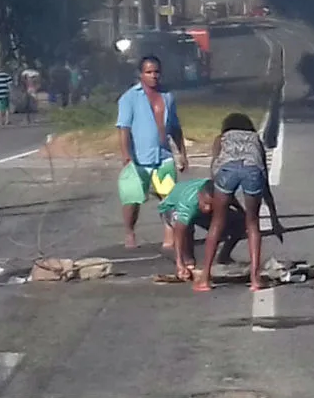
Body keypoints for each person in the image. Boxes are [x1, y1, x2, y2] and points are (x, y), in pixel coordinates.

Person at [194, 113, 281, 292]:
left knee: (217, 223)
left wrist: (219, 195)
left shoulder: (222, 138)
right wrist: (274, 217)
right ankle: (255, 279)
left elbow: (214, 169)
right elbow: (263, 177)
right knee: (253, 223)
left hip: (227, 170)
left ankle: (205, 278)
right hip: (252, 169)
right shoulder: (255, 139)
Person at [117, 56, 188, 249]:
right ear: (141, 74)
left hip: (163, 157)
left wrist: (182, 153)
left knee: (168, 198)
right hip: (139, 159)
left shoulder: (167, 97)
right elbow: (123, 128)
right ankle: (130, 232)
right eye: (149, 72)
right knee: (132, 199)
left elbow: (175, 127)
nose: (153, 76)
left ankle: (169, 234)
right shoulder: (129, 98)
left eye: (156, 72)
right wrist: (126, 154)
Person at [157, 178, 247, 281]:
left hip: (198, 207)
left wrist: (243, 215)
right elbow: (179, 232)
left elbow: (232, 200)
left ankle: (224, 256)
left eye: (211, 205)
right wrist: (179, 263)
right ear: (199, 195)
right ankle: (187, 263)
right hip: (171, 207)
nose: (208, 208)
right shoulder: (188, 202)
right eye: (205, 203)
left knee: (240, 222)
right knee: (186, 230)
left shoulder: (221, 194)